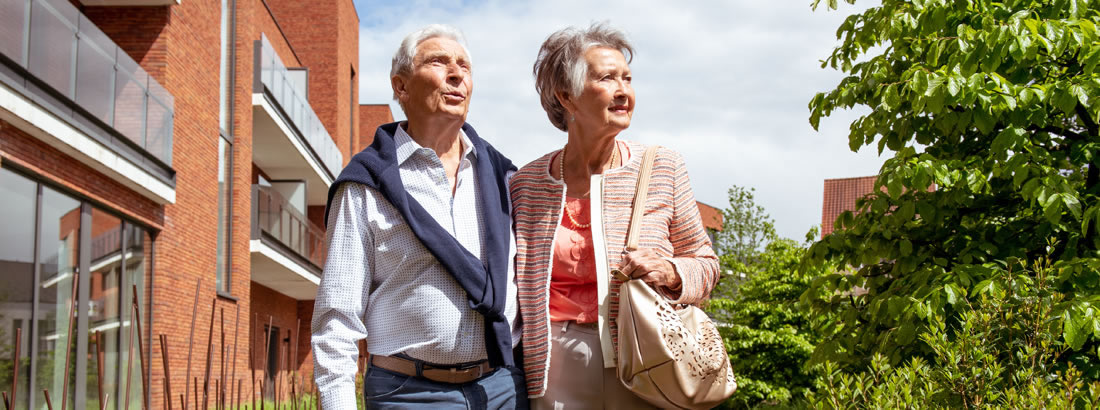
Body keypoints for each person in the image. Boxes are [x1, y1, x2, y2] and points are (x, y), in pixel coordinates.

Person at [311, 24, 526, 409]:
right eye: (438, 62)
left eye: (464, 65)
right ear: (401, 87)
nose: (456, 73)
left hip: (502, 389)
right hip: (409, 394)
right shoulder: (365, 185)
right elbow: (337, 319)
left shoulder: (503, 177)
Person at [510, 22, 721, 409]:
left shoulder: (663, 167)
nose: (624, 90)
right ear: (567, 97)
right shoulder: (526, 184)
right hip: (552, 366)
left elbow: (706, 265)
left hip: (647, 358)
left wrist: (671, 272)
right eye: (607, 78)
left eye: (627, 78)